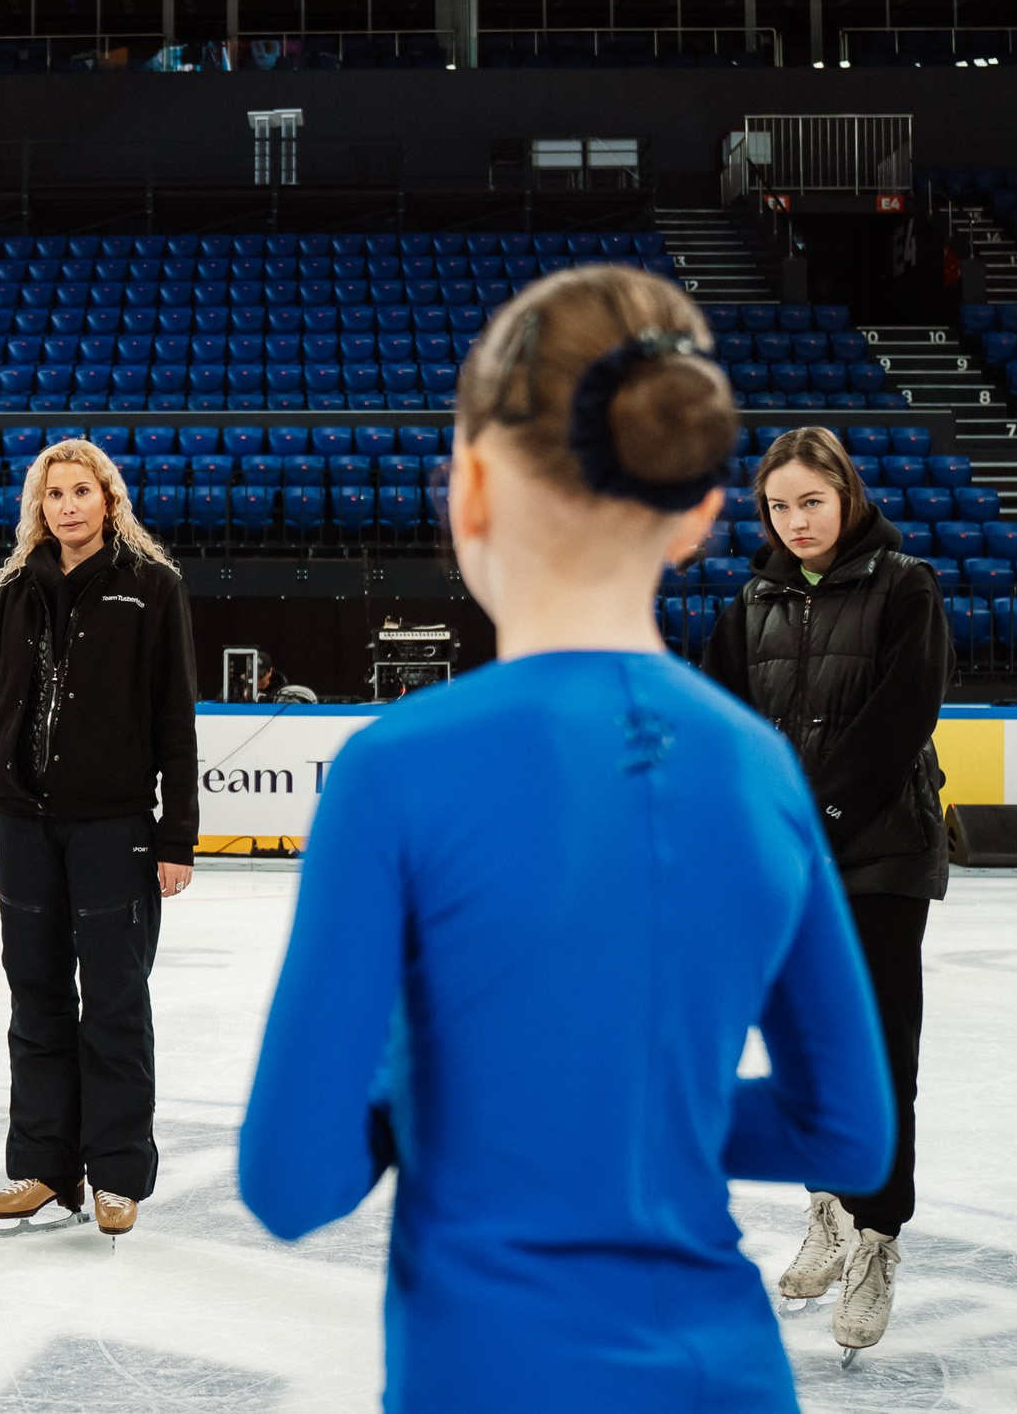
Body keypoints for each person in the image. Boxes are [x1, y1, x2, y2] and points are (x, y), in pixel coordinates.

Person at [239, 265, 894, 1412]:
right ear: (698, 514)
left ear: (471, 489)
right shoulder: (760, 770)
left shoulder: (395, 769)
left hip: (489, 1376)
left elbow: (292, 1179)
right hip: (728, 1377)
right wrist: (650, 1117)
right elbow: (845, 1138)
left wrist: (442, 1101)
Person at [703, 425, 953, 1352]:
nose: (796, 520)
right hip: (782, 864)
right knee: (808, 1048)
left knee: (882, 1050)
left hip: (879, 855)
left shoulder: (905, 584)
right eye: (778, 504)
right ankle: (829, 1204)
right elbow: (725, 726)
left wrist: (821, 821)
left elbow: (902, 714)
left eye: (812, 500)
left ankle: (879, 1232)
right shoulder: (751, 601)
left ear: (846, 496)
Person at [0, 438, 198, 1242]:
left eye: (81, 491)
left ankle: (117, 1173)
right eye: (53, 493)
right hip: (21, 827)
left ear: (109, 501)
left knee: (115, 1003)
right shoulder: (11, 596)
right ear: (40, 506)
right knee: (35, 1001)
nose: (67, 505)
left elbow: (176, 721)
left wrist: (178, 837)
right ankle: (43, 1167)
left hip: (115, 831)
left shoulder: (151, 589)